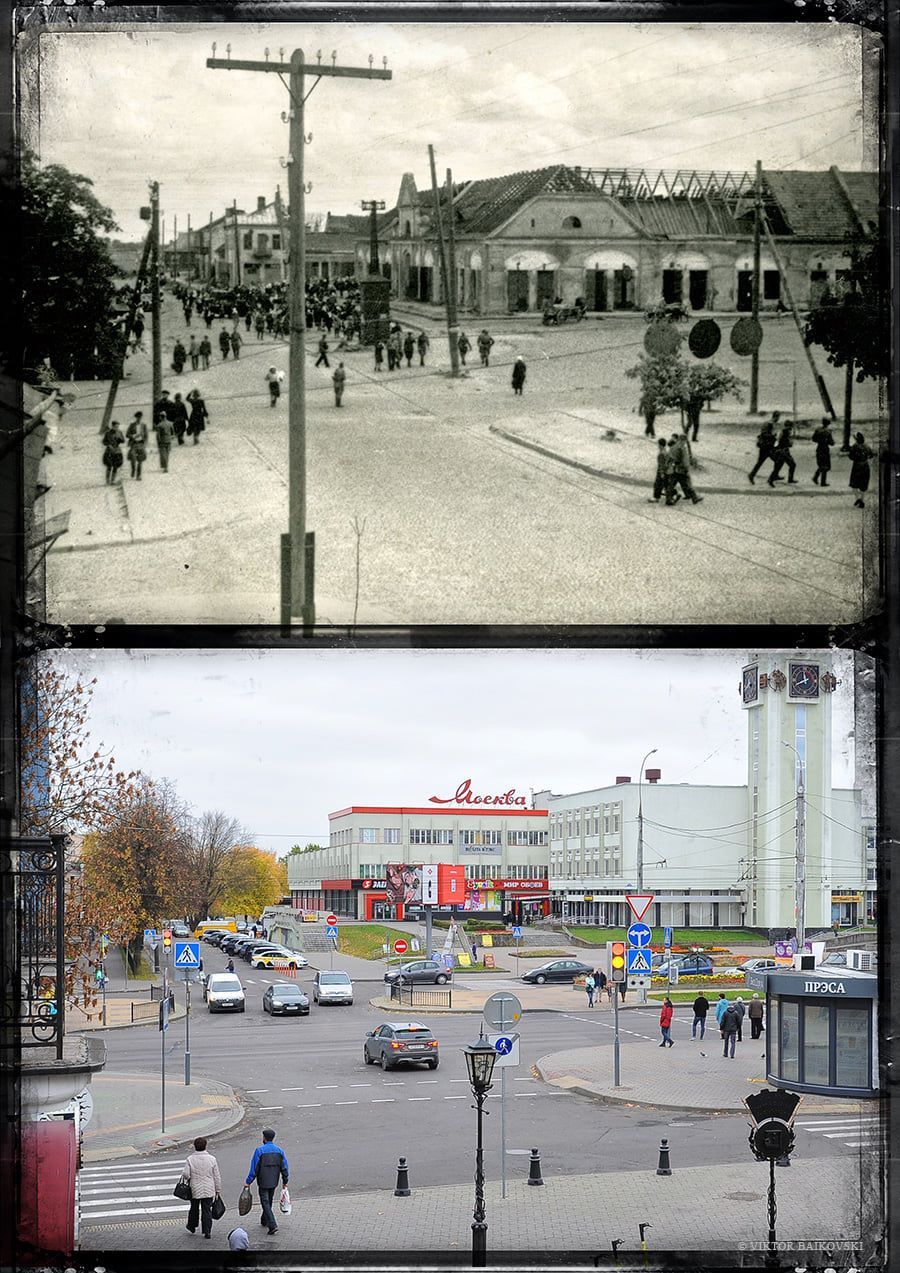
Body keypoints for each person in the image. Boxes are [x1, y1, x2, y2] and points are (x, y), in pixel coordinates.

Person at [245, 1127, 289, 1236]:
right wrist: (285, 1180)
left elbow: (254, 1168)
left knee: (265, 1202)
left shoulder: (259, 1150)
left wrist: (248, 1181)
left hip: (263, 1181)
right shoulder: (280, 1151)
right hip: (274, 1181)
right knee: (268, 1200)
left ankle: (272, 1224)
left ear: (264, 1138)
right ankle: (264, 1220)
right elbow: (284, 1168)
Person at [184, 1135, 222, 1239]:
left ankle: (192, 1226)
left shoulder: (190, 1159)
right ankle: (207, 1231)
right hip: (209, 1188)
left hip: (195, 1188)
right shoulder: (212, 1159)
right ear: (206, 1146)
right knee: (206, 1210)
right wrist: (218, 1190)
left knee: (194, 1208)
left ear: (194, 1146)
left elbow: (186, 1174)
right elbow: (216, 1176)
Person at [669, 434, 702, 504]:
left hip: (674, 468)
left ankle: (669, 497)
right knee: (687, 483)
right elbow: (685, 460)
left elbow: (670, 457)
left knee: (672, 484)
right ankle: (694, 497)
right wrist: (687, 468)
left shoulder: (673, 447)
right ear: (684, 440)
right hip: (681, 469)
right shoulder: (682, 448)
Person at [748, 415, 778, 484]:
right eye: (777, 417)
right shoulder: (769, 424)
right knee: (777, 460)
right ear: (775, 417)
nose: (778, 419)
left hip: (766, 447)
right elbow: (764, 434)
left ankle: (752, 475)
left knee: (760, 462)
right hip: (766, 448)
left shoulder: (769, 423)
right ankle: (773, 476)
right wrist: (773, 436)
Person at [848, 431, 875, 508]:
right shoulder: (867, 446)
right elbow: (871, 455)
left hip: (856, 467)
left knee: (854, 484)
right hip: (865, 467)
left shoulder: (854, 447)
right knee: (864, 485)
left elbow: (850, 457)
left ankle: (857, 498)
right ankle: (862, 500)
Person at [768, 421, 797, 486]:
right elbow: (788, 443)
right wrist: (791, 440)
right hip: (784, 452)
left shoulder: (782, 431)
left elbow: (778, 440)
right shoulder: (786, 431)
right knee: (792, 465)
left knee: (779, 466)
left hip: (780, 451)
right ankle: (771, 479)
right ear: (789, 426)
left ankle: (771, 479)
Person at [649, 438, 674, 504]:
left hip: (661, 471)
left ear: (660, 445)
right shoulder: (665, 451)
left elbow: (661, 465)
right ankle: (673, 494)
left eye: (658, 444)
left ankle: (656, 497)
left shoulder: (661, 454)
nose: (658, 446)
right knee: (665, 485)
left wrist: (662, 473)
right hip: (666, 470)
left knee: (657, 484)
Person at [811, 417, 834, 486]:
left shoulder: (818, 430)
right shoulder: (828, 431)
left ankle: (816, 477)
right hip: (825, 449)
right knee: (826, 466)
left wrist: (820, 440)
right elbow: (832, 443)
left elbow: (813, 439)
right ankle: (822, 482)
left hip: (819, 448)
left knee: (821, 465)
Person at [126, 412, 149, 481]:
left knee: (140, 460)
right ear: (136, 418)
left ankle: (138, 475)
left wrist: (145, 444)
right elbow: (127, 434)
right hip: (134, 444)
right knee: (133, 458)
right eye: (138, 417)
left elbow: (146, 436)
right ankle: (133, 469)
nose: (139, 419)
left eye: (140, 417)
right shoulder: (132, 425)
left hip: (141, 444)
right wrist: (133, 436)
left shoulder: (144, 425)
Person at [102, 421, 125, 485]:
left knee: (116, 466)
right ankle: (107, 480)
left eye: (117, 427)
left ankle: (112, 480)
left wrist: (120, 439)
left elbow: (123, 440)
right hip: (109, 451)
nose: (116, 428)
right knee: (109, 466)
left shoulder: (119, 432)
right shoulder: (108, 433)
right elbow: (104, 442)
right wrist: (109, 445)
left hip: (117, 451)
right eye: (115, 427)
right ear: (112, 426)